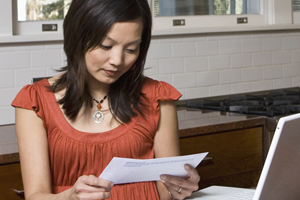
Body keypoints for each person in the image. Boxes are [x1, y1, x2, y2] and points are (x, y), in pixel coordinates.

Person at [11, 0, 200, 199]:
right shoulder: (35, 102)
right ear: (77, 37)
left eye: (131, 49)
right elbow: (35, 195)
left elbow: (165, 189)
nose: (117, 60)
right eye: (106, 45)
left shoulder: (158, 97)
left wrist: (179, 188)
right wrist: (69, 197)